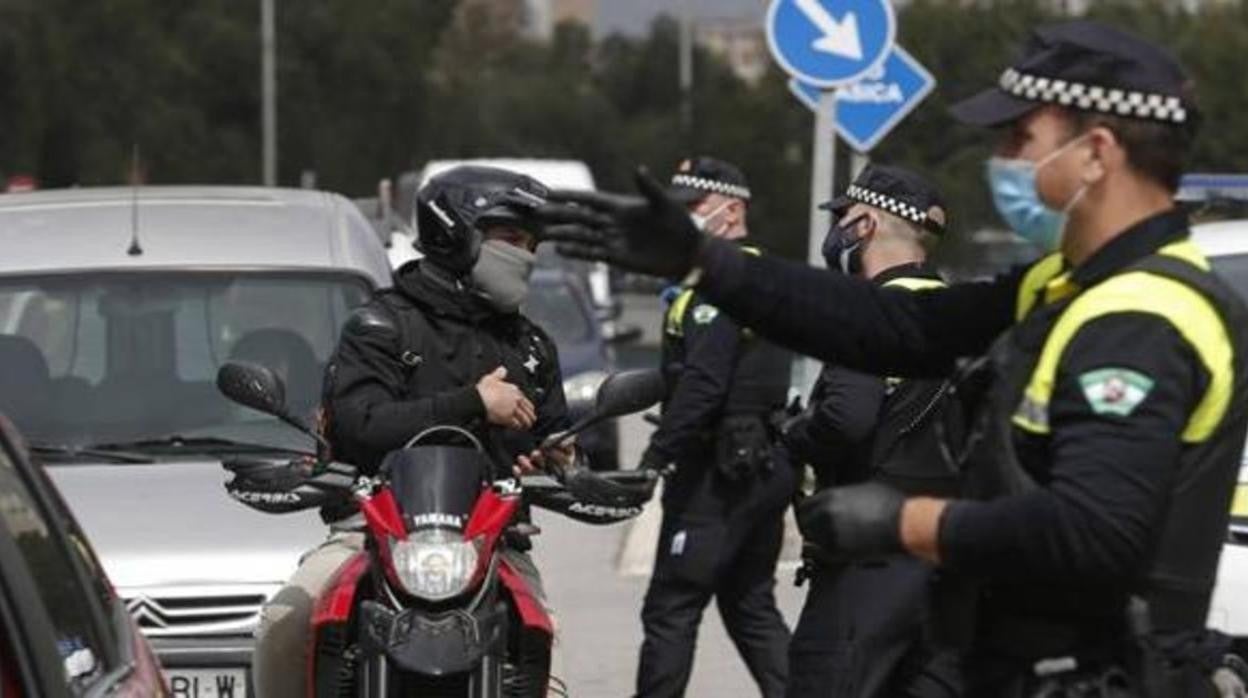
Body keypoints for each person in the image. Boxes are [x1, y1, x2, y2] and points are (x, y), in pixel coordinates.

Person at [542, 21, 1248, 697]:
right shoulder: (1070, 282)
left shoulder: (1143, 318)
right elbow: (899, 325)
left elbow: (1093, 532)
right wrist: (706, 262)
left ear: (1096, 151)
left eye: (1020, 136)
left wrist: (907, 522)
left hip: (1100, 674)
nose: (1005, 158)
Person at [252, 165, 650, 698]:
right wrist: (474, 402)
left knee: (546, 651)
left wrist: (558, 461)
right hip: (371, 535)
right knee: (282, 624)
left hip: (494, 544)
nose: (525, 254)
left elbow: (554, 438)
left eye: (532, 242)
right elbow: (361, 424)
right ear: (453, 233)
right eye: (510, 237)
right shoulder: (381, 326)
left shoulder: (531, 347)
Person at [784, 165, 961, 698]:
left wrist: (794, 433)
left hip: (868, 568)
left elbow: (846, 418)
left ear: (863, 225)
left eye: (842, 218)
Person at [635, 157, 795, 698]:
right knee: (750, 606)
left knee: (671, 609)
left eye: (694, 208)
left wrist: (655, 457)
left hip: (717, 474)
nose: (683, 220)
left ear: (733, 210)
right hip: (760, 463)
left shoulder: (725, 287)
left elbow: (704, 383)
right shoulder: (757, 276)